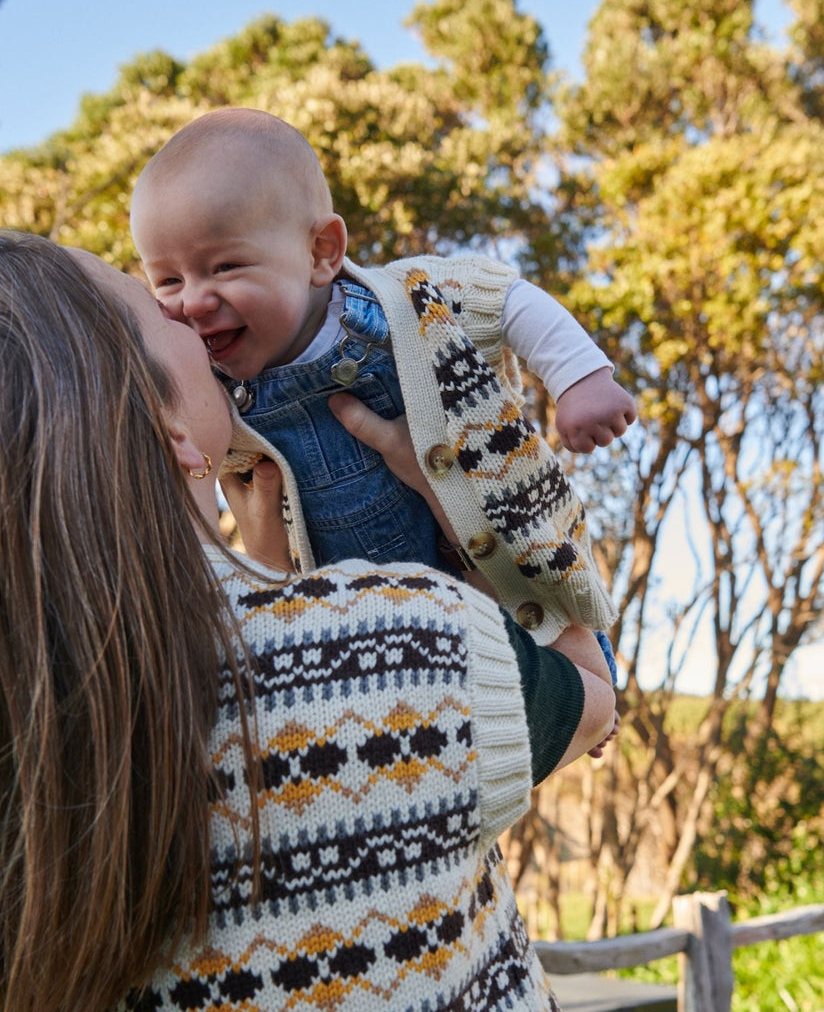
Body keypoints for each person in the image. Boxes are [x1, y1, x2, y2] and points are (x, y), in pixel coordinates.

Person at [0, 229, 674, 1012]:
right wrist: (469, 497)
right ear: (172, 432)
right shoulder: (401, 650)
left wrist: (256, 550)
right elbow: (589, 694)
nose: (197, 314)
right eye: (159, 307)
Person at [130, 107, 633, 682]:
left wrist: (581, 378)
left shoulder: (408, 301)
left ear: (322, 252)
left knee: (540, 581)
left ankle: (586, 681)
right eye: (167, 280)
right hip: (371, 625)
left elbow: (507, 298)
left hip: (496, 549)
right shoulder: (215, 386)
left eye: (224, 266)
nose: (193, 302)